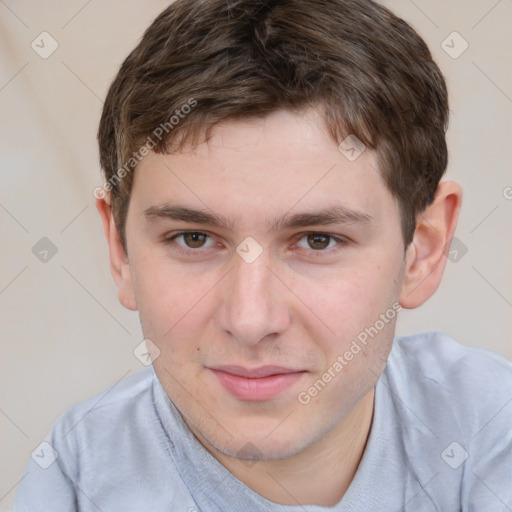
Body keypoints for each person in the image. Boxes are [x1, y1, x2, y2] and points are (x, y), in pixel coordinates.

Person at [14, 0, 512, 510]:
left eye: (318, 240)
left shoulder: (492, 429)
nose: (250, 320)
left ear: (422, 250)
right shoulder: (76, 483)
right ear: (120, 248)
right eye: (194, 238)